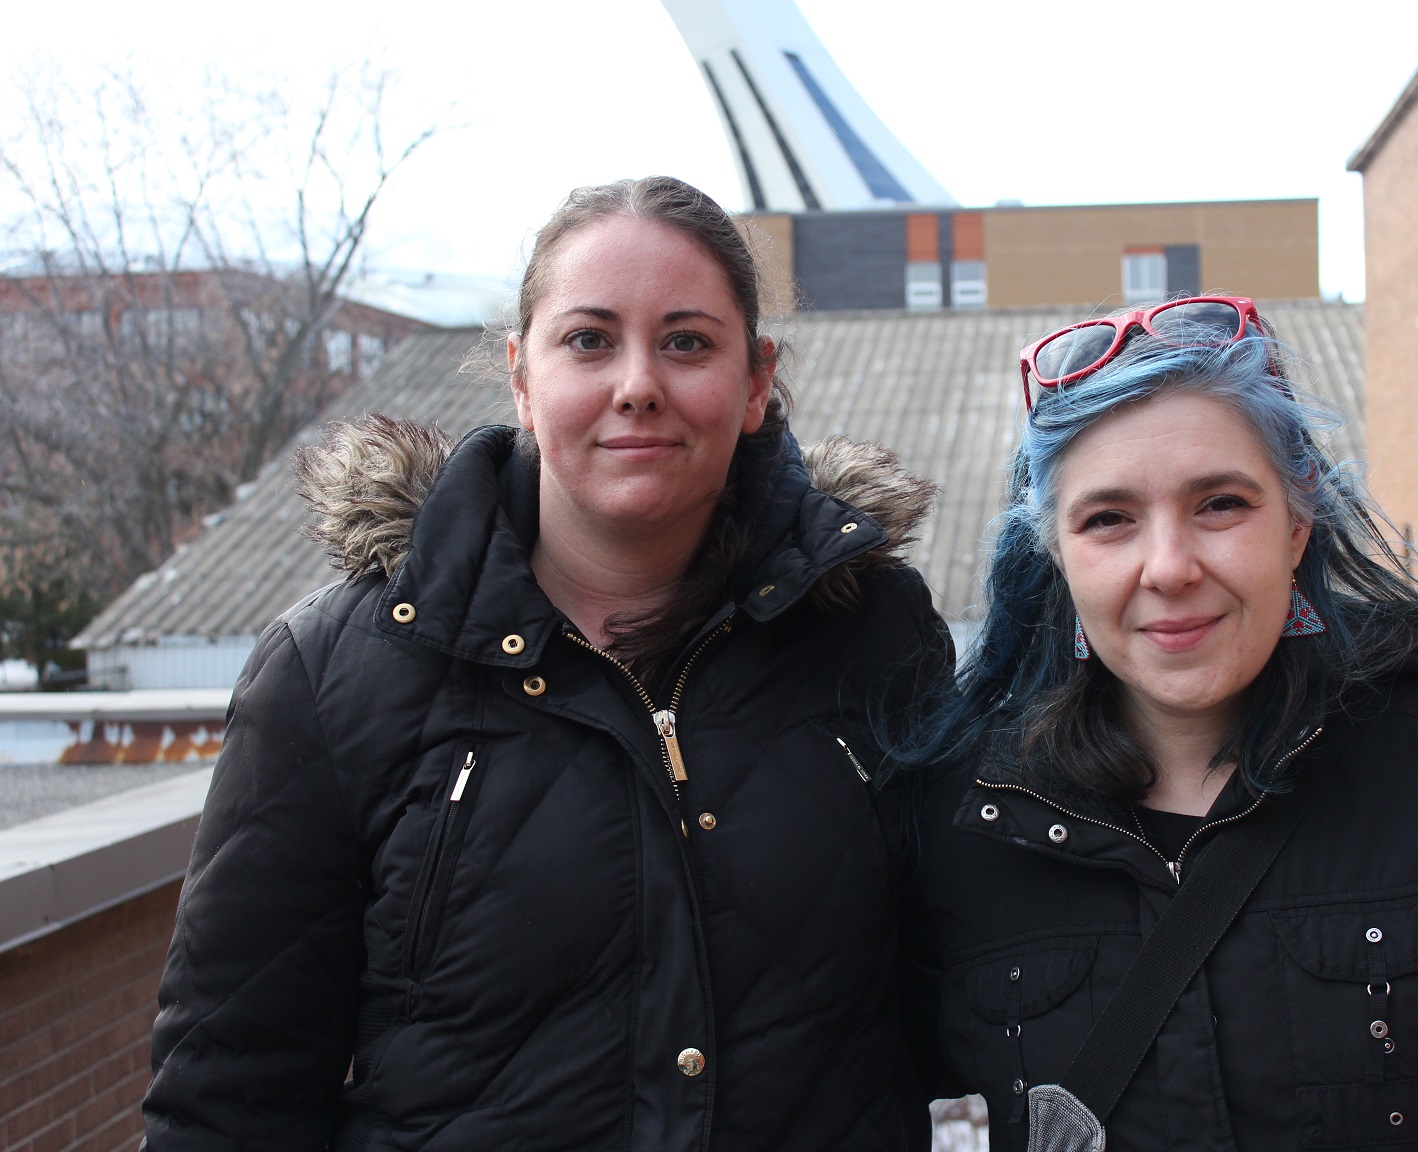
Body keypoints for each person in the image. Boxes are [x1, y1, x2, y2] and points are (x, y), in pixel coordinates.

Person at [141, 177, 951, 1150]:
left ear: (755, 381)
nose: (638, 383)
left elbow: (982, 973)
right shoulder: (334, 675)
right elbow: (229, 1096)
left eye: (687, 341)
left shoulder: (871, 629)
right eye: (590, 340)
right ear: (522, 378)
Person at [899, 298, 1418, 1150]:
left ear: (1298, 525)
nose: (1170, 567)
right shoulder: (963, 820)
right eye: (1108, 519)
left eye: (1220, 504)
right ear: (1056, 552)